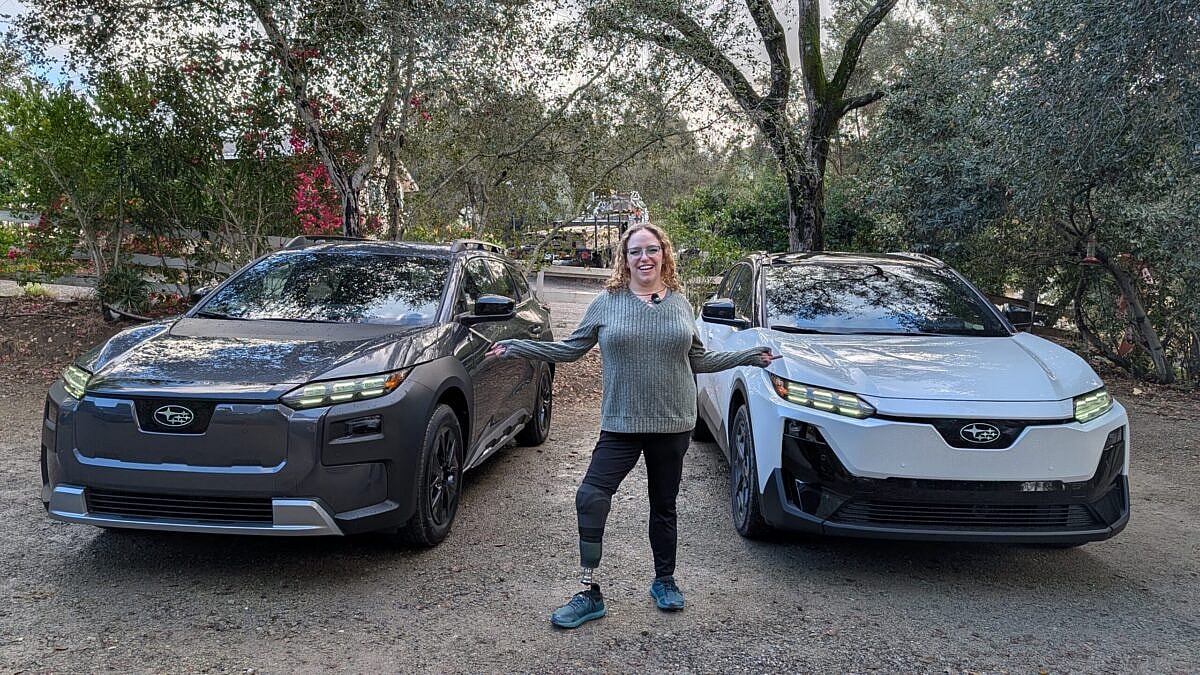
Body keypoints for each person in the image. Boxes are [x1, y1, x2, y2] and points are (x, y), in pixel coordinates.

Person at [487, 223, 777, 629]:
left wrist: (747, 357)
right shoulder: (607, 302)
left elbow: (699, 360)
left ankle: (665, 581)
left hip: (672, 422)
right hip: (621, 423)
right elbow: (571, 350)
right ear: (624, 258)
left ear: (664, 254)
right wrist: (519, 347)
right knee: (590, 495)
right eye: (635, 251)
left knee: (664, 506)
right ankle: (589, 591)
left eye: (652, 250)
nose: (644, 258)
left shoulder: (679, 302)